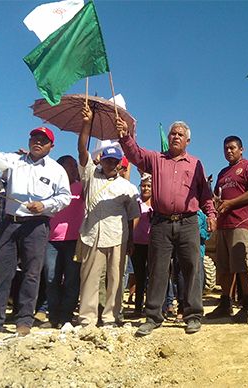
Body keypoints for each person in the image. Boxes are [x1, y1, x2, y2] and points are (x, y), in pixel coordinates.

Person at [0, 112, 71, 338]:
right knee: (1, 272)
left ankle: (24, 321)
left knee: (31, 274)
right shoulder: (14, 161)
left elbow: (65, 197)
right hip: (10, 224)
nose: (37, 142)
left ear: (51, 146)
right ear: (28, 141)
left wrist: (44, 206)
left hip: (36, 226)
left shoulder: (56, 170)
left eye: (43, 140)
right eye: (34, 138)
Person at [117, 118, 217, 335]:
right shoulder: (155, 159)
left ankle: (192, 315)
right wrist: (125, 136)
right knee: (158, 270)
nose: (176, 136)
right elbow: (136, 155)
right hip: (161, 223)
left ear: (188, 140)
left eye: (180, 134)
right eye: (173, 133)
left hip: (188, 222)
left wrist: (210, 214)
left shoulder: (195, 164)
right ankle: (153, 316)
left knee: (192, 269)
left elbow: (204, 194)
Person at [76, 106, 140, 327]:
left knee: (115, 280)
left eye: (114, 161)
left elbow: (133, 215)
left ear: (120, 164)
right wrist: (87, 124)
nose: (110, 164)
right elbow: (82, 151)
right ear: (101, 160)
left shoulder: (128, 187)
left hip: (117, 236)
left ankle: (111, 317)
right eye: (107, 160)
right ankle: (87, 318)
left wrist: (131, 240)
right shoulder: (91, 175)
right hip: (92, 234)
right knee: (90, 279)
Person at [206, 135, 248, 323]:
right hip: (223, 225)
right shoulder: (222, 173)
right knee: (224, 267)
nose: (229, 151)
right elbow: (215, 197)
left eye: (232, 148)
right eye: (226, 148)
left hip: (240, 223)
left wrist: (231, 203)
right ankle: (225, 304)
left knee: (242, 266)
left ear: (241, 149)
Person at [41, 155, 84, 328]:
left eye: (75, 166)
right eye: (70, 166)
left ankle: (66, 317)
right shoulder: (51, 188)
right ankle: (53, 316)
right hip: (51, 241)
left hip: (74, 241)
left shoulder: (82, 188)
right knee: (51, 278)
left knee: (72, 280)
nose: (74, 169)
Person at [130, 174, 153, 317]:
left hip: (153, 244)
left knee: (152, 276)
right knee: (139, 276)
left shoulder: (157, 203)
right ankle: (138, 307)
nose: (146, 188)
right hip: (137, 243)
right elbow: (131, 221)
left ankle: (151, 307)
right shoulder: (136, 202)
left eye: (149, 186)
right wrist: (130, 241)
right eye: (143, 186)